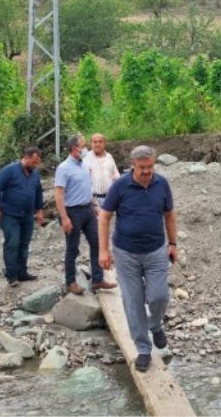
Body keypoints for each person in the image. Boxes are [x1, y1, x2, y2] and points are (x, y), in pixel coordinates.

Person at [98, 145, 178, 372]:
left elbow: (169, 214)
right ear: (133, 165)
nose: (146, 171)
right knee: (133, 302)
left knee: (159, 296)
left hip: (156, 251)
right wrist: (103, 251)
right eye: (142, 167)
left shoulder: (162, 184)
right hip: (126, 253)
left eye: (150, 166)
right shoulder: (120, 186)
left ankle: (155, 324)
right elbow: (104, 217)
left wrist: (173, 243)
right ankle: (143, 349)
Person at [55, 134, 117, 295]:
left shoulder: (84, 164)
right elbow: (59, 195)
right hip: (73, 212)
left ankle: (97, 279)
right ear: (75, 149)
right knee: (72, 248)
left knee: (97, 243)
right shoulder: (63, 168)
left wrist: (94, 205)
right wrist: (64, 218)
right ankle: (70, 282)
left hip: (88, 210)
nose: (86, 148)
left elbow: (87, 187)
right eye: (83, 145)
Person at [0, 146, 45, 287]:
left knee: (24, 244)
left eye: (37, 162)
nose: (35, 165)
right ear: (26, 157)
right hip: (9, 214)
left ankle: (22, 273)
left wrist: (39, 211)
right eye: (34, 161)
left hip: (27, 216)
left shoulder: (35, 175)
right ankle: (11, 275)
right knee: (13, 243)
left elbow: (38, 192)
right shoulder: (9, 170)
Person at [83, 133, 120, 207]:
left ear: (104, 143)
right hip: (92, 200)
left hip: (109, 198)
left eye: (100, 141)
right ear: (91, 144)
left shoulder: (109, 157)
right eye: (95, 142)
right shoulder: (85, 158)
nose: (97, 144)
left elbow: (116, 175)